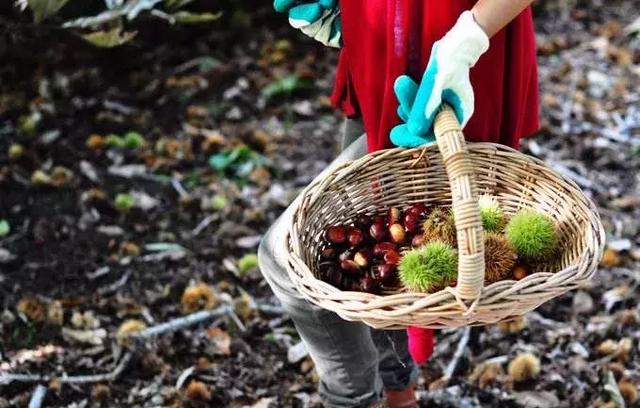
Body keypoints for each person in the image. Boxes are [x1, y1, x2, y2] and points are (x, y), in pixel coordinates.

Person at [259, 1, 539, 406]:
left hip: (455, 47)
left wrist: (469, 40)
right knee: (370, 253)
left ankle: (352, 400)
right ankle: (399, 394)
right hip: (380, 42)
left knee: (287, 260)